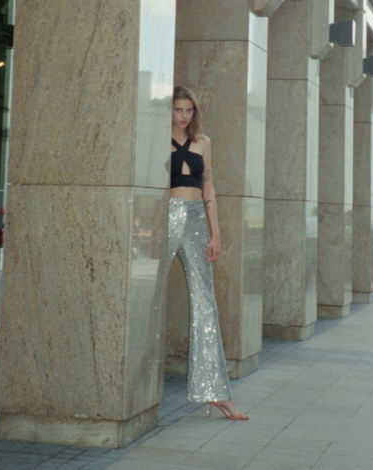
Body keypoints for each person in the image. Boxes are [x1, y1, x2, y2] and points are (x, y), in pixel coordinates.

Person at [166, 86, 247, 420]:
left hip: (197, 219)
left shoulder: (203, 142)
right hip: (166, 217)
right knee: (145, 297)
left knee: (205, 303)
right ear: (169, 110)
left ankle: (216, 392)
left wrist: (216, 233)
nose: (183, 116)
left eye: (188, 110)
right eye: (178, 110)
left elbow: (208, 187)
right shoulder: (159, 139)